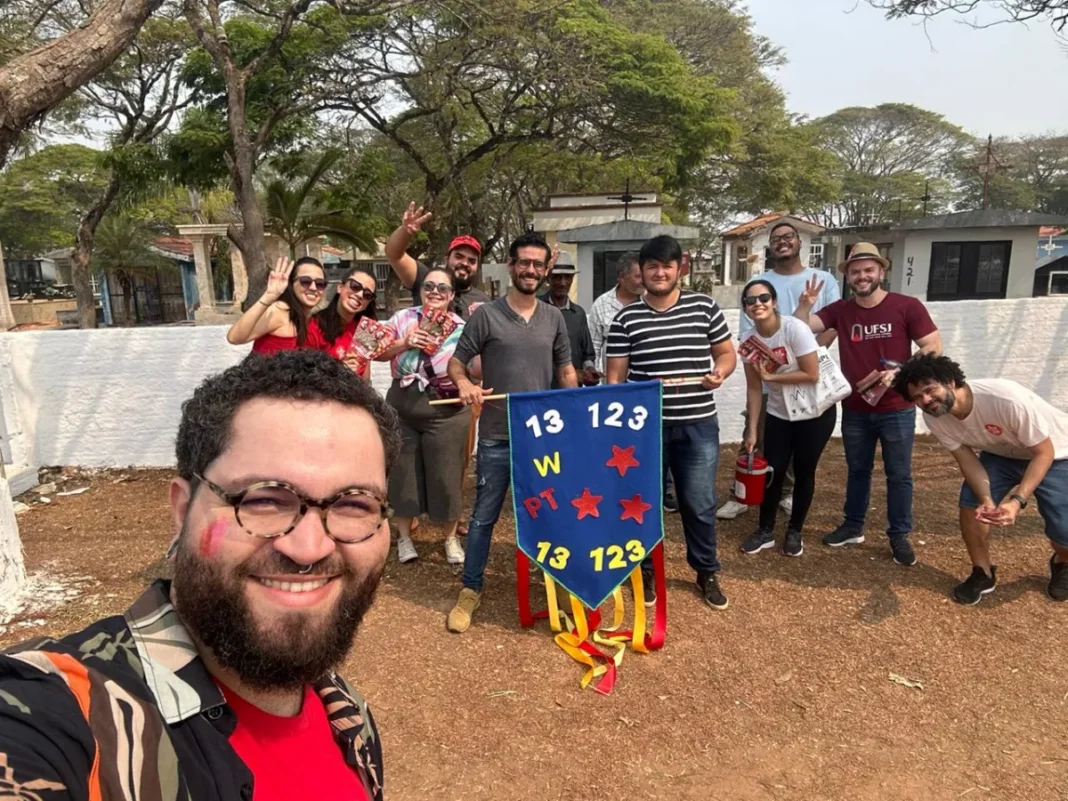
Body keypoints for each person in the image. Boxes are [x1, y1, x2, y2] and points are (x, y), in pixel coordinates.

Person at [0, 350, 399, 800]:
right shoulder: (63, 714)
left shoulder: (348, 717)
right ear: (182, 509)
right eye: (263, 500)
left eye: (353, 504)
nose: (308, 549)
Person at [444, 231, 578, 633]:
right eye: (525, 263)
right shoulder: (486, 315)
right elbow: (456, 363)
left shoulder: (554, 318)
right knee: (484, 517)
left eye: (539, 264)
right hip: (497, 436)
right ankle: (470, 589)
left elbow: (566, 371)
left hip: (543, 439)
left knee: (550, 517)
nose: (531, 270)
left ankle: (557, 590)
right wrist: (465, 384)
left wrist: (580, 412)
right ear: (511, 265)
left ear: (545, 269)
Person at [606, 234, 737, 610]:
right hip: (644, 430)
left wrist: (720, 373)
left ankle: (705, 569)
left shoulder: (704, 307)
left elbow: (726, 354)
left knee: (698, 502)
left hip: (697, 425)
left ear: (680, 267)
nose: (660, 273)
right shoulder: (625, 318)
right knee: (641, 503)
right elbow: (615, 377)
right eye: (652, 267)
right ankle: (644, 569)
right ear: (640, 273)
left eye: (667, 266)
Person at [795, 241, 942, 566]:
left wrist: (903, 371)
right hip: (856, 410)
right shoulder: (841, 311)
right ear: (849, 276)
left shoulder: (906, 307)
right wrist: (805, 304)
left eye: (868, 270)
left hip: (897, 409)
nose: (862, 276)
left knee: (899, 474)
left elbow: (933, 345)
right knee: (858, 471)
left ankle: (899, 535)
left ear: (880, 272)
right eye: (856, 271)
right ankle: (852, 526)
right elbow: (801, 330)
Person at [894, 354, 1068, 605]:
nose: (926, 400)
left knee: (1063, 532)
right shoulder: (935, 418)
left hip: (1057, 453)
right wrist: (987, 499)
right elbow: (968, 460)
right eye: (917, 397)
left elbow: (1044, 453)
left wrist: (1016, 501)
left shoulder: (1005, 399)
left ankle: (1062, 560)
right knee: (971, 502)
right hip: (1001, 453)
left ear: (950, 382)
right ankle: (982, 572)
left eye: (930, 390)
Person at [717, 220, 841, 521]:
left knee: (801, 458)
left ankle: (789, 501)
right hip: (769, 383)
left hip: (809, 387)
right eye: (776, 238)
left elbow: (832, 323)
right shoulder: (760, 282)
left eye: (788, 236)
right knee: (758, 439)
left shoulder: (822, 279)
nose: (782, 241)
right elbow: (753, 355)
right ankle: (746, 494)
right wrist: (775, 370)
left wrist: (802, 357)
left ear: (800, 242)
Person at [376, 267, 471, 565]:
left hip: (446, 409)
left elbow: (474, 365)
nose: (435, 292)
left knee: (446, 474)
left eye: (443, 288)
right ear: (420, 290)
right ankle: (404, 537)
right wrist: (404, 342)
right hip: (403, 404)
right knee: (403, 475)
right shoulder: (401, 318)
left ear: (452, 295)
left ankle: (450, 538)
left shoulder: (462, 327)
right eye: (429, 286)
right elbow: (376, 352)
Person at [737, 280, 836, 558]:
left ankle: (795, 530)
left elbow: (811, 373)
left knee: (804, 470)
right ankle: (765, 530)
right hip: (780, 412)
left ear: (774, 301)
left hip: (815, 411)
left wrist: (772, 377)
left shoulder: (794, 328)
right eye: (751, 300)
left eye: (764, 297)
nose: (758, 303)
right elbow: (754, 388)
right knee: (773, 470)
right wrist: (753, 430)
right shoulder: (748, 342)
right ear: (745, 307)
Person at [384, 202, 491, 319]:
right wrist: (405, 231)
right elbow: (394, 255)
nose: (465, 263)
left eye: (472, 261)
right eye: (459, 256)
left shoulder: (483, 302)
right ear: (446, 259)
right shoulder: (426, 279)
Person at [226, 256, 326, 353]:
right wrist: (268, 296)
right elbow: (234, 338)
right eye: (305, 281)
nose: (313, 287)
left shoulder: (310, 318)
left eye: (320, 283)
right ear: (291, 283)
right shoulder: (280, 311)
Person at [538, 250, 599, 387]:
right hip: (541, 390)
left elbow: (588, 354)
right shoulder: (536, 309)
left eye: (567, 277)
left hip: (570, 391)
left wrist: (589, 370)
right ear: (548, 278)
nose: (563, 282)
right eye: (557, 277)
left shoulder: (578, 313)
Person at [308, 267, 379, 380]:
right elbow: (303, 374)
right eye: (355, 286)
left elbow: (366, 380)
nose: (360, 295)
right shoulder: (314, 326)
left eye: (367, 294)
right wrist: (338, 369)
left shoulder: (366, 330)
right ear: (340, 287)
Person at [588, 252, 643, 374]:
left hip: (643, 382)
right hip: (613, 383)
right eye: (638, 276)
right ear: (622, 277)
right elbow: (594, 347)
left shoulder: (649, 302)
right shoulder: (601, 304)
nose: (643, 281)